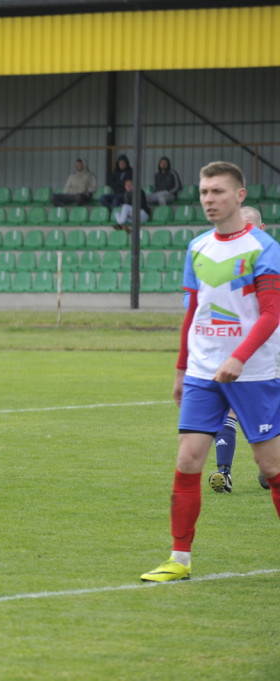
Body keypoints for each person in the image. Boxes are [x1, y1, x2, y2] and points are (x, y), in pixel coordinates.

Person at [140, 161, 280, 582]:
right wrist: (182, 369)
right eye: (204, 192)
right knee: (187, 460)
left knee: (271, 467)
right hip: (202, 371)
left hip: (253, 372)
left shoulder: (264, 247)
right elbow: (192, 314)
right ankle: (178, 560)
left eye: (217, 192)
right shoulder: (198, 247)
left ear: (239, 196)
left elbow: (272, 314)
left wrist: (238, 357)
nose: (208, 200)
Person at [208, 205, 272, 494]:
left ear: (262, 228)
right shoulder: (229, 263)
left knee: (268, 412)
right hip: (239, 349)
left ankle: (269, 468)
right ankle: (224, 472)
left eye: (250, 227)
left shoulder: (273, 258)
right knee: (231, 406)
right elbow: (197, 296)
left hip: (273, 349)